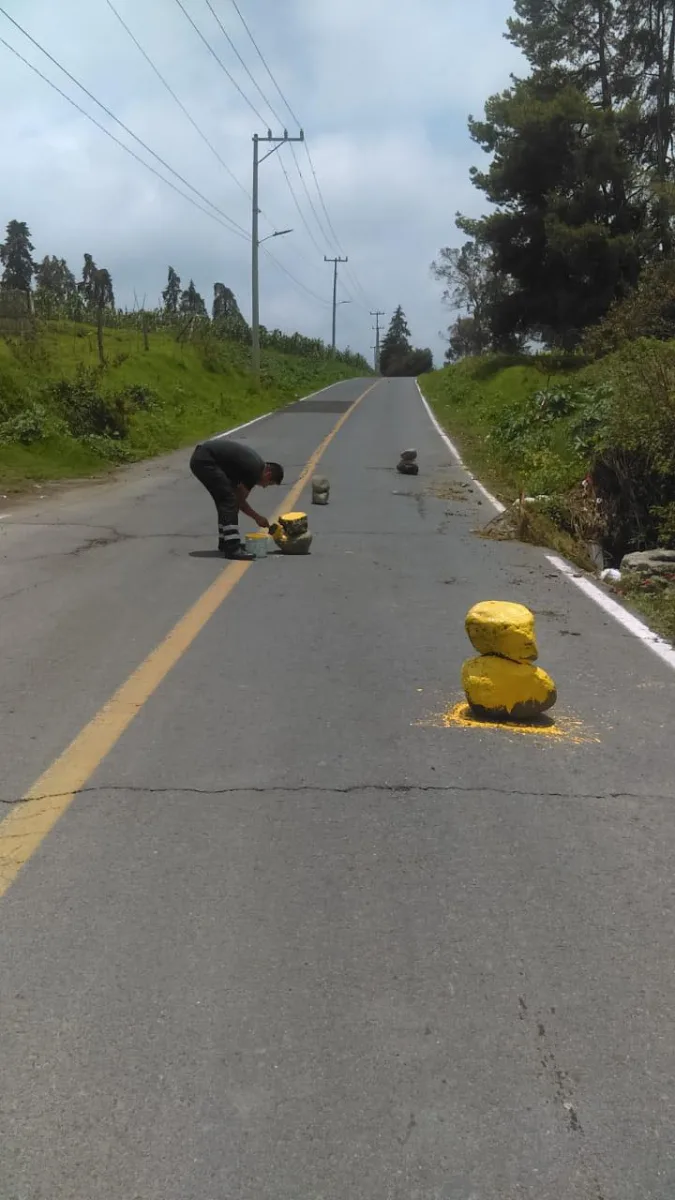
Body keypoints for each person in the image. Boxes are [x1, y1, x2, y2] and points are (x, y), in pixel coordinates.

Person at [190, 436, 284, 560]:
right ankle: (232, 548)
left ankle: (225, 542)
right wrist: (257, 518)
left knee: (224, 499)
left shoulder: (253, 465)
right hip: (206, 460)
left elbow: (238, 497)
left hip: (203, 458)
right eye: (269, 483)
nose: (265, 487)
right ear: (268, 473)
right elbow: (239, 501)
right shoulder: (254, 470)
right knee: (229, 500)